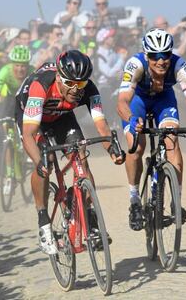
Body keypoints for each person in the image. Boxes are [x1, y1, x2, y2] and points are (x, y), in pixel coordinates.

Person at [15, 50, 124, 254]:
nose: (75, 89)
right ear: (58, 77)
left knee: (81, 156)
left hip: (61, 117)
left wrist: (112, 151)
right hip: (32, 119)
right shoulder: (41, 86)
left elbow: (101, 126)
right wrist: (40, 163)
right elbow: (29, 134)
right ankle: (43, 221)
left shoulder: (89, 89)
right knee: (45, 160)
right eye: (70, 83)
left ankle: (90, 219)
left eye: (80, 84)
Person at [116, 28, 186, 231]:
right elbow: (121, 102)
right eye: (155, 56)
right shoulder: (135, 64)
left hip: (164, 101)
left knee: (172, 141)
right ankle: (135, 199)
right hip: (137, 102)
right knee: (136, 147)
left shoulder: (179, 65)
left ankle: (176, 202)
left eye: (165, 54)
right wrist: (131, 119)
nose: (161, 60)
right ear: (147, 55)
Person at [0, 45, 34, 121]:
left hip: (29, 99)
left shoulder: (33, 72)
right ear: (12, 64)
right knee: (7, 121)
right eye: (17, 65)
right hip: (11, 98)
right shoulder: (5, 72)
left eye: (23, 66)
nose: (20, 69)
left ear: (28, 66)